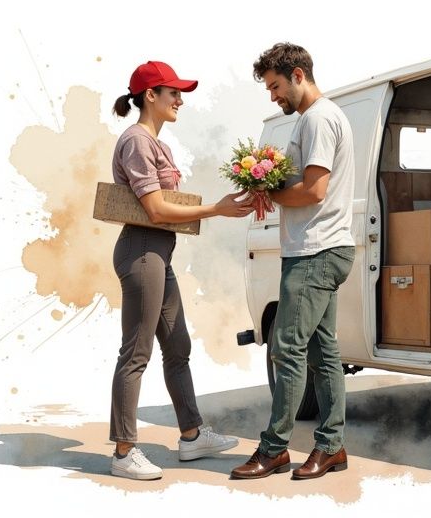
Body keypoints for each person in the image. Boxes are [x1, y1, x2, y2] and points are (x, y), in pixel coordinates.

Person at [108, 60, 252, 480]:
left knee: (178, 346)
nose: (180, 100)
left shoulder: (157, 144)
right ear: (150, 95)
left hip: (158, 253)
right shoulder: (137, 141)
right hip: (142, 251)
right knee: (136, 353)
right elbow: (155, 209)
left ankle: (191, 435)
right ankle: (123, 451)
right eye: (173, 92)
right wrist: (217, 209)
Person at [231, 43, 356, 481]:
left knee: (285, 348)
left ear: (298, 75)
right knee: (323, 352)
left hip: (314, 251)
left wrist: (270, 193)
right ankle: (332, 447)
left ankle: (273, 449)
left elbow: (315, 190)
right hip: (327, 246)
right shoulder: (323, 116)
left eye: (275, 86)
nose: (272, 96)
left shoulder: (317, 119)